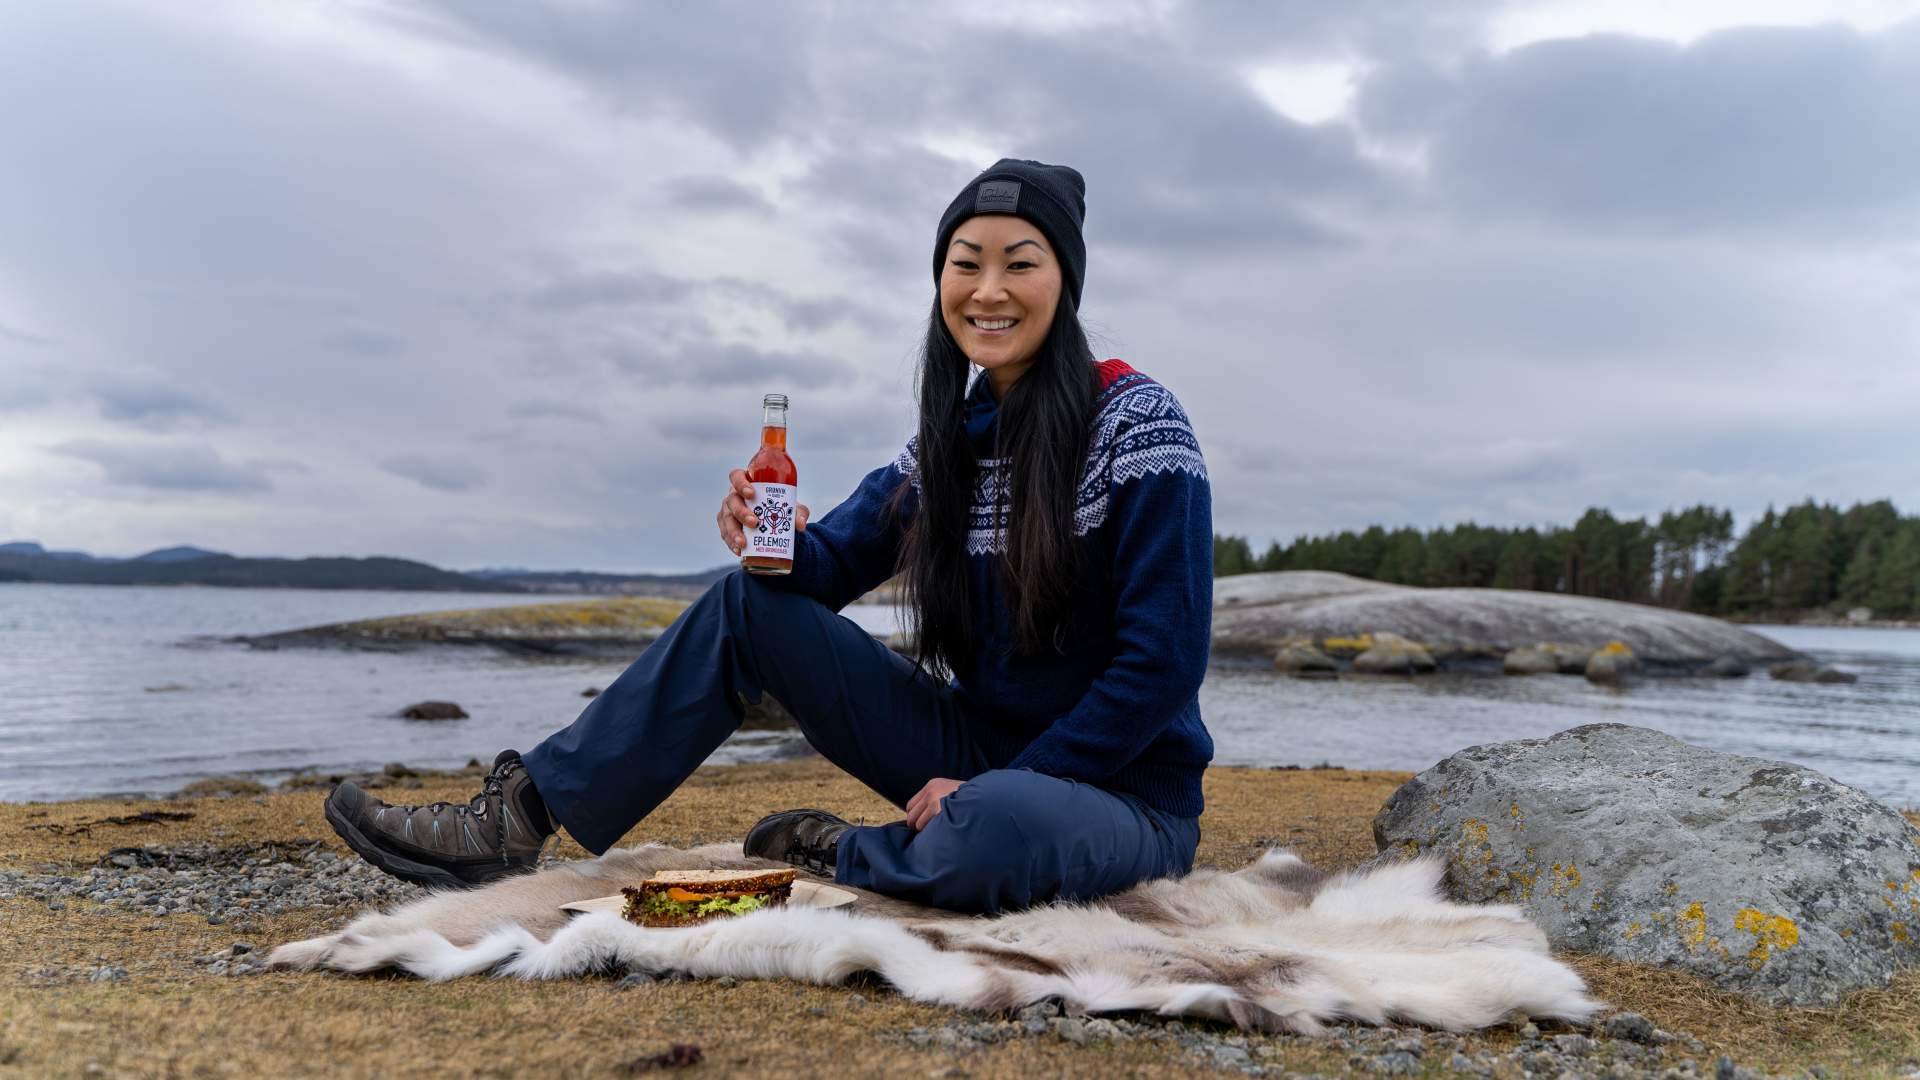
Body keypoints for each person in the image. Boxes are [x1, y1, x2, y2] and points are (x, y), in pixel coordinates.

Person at [324, 159, 1215, 915]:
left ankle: (842, 852)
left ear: (1065, 283)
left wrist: (990, 791)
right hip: (978, 752)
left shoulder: (1138, 426)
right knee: (750, 605)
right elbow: (825, 566)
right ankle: (514, 818)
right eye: (963, 263)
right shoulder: (948, 444)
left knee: (1003, 830)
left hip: (1117, 793)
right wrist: (770, 541)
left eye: (1020, 264)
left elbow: (1162, 664)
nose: (987, 291)